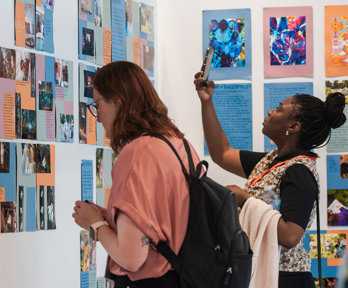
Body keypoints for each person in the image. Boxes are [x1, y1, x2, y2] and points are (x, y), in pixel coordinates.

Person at [194, 71, 346, 288]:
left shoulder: (299, 172)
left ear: (293, 127)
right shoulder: (271, 161)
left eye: (278, 109)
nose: (270, 111)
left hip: (285, 279)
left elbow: (291, 235)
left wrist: (246, 201)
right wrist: (206, 101)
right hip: (264, 271)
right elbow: (221, 153)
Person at [72, 61, 201, 288]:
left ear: (118, 102)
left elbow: (132, 258)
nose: (98, 116)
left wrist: (95, 225)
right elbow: (161, 223)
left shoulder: (136, 154)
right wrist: (110, 220)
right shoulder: (181, 145)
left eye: (98, 104)